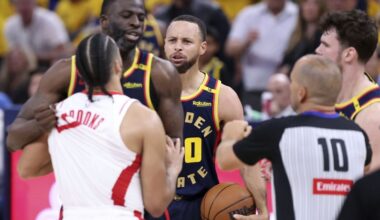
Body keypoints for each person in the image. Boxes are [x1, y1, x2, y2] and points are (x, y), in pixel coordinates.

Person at [17, 33, 184, 219]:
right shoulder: (144, 118)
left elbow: (26, 169)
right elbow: (156, 205)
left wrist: (78, 158)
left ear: (79, 72)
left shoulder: (57, 112)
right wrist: (172, 170)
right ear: (118, 65)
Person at [6, 0, 183, 151]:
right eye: (127, 15)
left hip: (135, 184)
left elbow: (175, 147)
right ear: (104, 22)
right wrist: (40, 125)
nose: (136, 22)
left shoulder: (161, 73)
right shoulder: (66, 72)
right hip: (84, 182)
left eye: (141, 17)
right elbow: (13, 139)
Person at [216, 55, 372, 220]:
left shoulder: (278, 131)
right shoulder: (358, 134)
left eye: (292, 82)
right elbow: (361, 170)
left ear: (301, 93)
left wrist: (230, 136)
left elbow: (225, 161)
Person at [145, 15, 244, 220]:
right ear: (164, 45)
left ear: (203, 47)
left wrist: (260, 206)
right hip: (153, 203)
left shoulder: (222, 97)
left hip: (201, 206)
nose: (178, 47)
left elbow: (244, 158)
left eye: (187, 41)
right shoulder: (144, 91)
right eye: (172, 40)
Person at [315, 10, 380, 172]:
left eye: (325, 45)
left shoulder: (373, 115)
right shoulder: (322, 94)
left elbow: (369, 186)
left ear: (349, 54)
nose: (317, 50)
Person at [225, 0, 298, 111]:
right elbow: (230, 49)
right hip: (252, 89)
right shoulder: (249, 14)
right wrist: (246, 42)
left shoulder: (297, 14)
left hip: (287, 91)